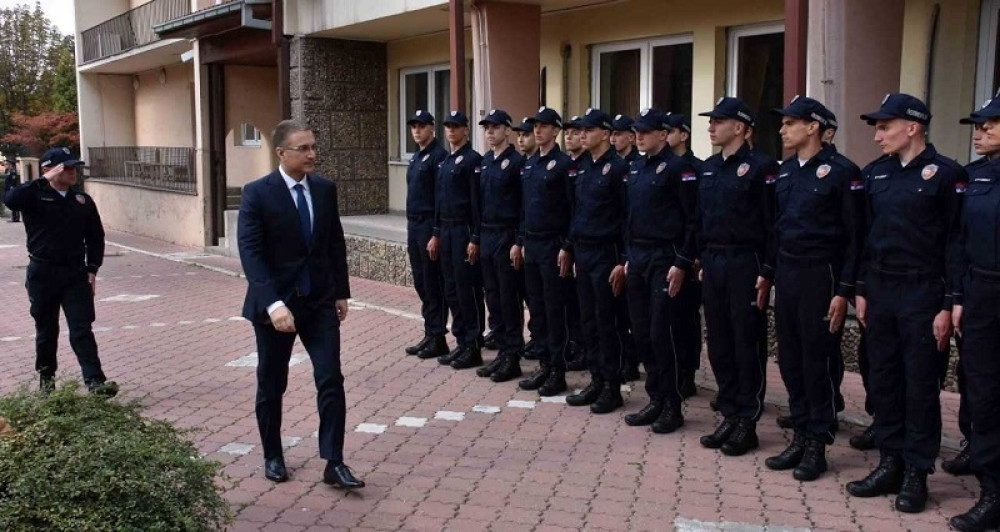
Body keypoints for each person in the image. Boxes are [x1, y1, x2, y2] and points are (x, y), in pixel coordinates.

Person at [845, 93, 965, 514]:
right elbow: (863, 237)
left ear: (912, 127)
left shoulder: (946, 175)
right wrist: (860, 287)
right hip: (880, 289)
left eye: (884, 127)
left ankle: (917, 470)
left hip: (923, 292)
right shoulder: (874, 175)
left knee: (919, 384)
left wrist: (949, 302)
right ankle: (889, 461)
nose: (877, 135)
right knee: (884, 378)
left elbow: (956, 242)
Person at [237, 119, 363, 489]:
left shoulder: (324, 189)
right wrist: (274, 305)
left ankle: (333, 461)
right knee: (272, 383)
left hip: (319, 303)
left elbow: (333, 242)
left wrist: (340, 290)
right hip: (277, 306)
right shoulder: (257, 193)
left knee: (330, 379)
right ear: (281, 153)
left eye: (313, 147)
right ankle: (273, 454)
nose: (312, 154)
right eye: (303, 148)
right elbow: (252, 254)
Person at [763, 96, 865, 482]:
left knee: (817, 361)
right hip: (788, 273)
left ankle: (818, 444)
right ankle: (801, 432)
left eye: (791, 123)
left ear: (813, 127)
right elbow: (777, 229)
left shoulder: (842, 172)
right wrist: (769, 273)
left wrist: (844, 290)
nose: (782, 129)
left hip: (821, 275)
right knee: (790, 359)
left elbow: (854, 238)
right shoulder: (786, 172)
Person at [696, 97, 778, 457]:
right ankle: (729, 411)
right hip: (713, 261)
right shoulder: (710, 167)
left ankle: (748, 419)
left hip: (746, 260)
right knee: (719, 341)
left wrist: (767, 270)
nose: (711, 126)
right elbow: (701, 218)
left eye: (719, 121)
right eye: (711, 120)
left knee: (746, 341)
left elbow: (772, 224)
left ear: (741, 127)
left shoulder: (762, 168)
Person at [3, 147, 117, 396]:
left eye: (74, 167)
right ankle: (47, 380)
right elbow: (10, 200)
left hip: (75, 274)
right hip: (42, 273)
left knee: (81, 328)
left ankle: (95, 382)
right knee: (46, 330)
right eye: (66, 167)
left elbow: (96, 237)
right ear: (49, 169)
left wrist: (92, 269)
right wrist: (43, 179)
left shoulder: (82, 201)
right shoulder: (34, 196)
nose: (72, 171)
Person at [620, 108, 699, 433]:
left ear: (663, 135)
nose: (639, 136)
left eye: (646, 131)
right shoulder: (636, 168)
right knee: (640, 332)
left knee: (661, 332)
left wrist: (682, 262)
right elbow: (629, 217)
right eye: (637, 130)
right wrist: (627, 255)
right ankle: (655, 397)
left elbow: (693, 220)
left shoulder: (678, 169)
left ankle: (672, 403)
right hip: (638, 257)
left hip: (665, 257)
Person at [948, 97, 1000, 532]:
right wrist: (960, 296)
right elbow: (961, 242)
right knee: (983, 392)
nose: (979, 132)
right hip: (983, 290)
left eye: (988, 125)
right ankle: (992, 491)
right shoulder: (975, 175)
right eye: (977, 126)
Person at [563, 108, 629, 414]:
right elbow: (577, 212)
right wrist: (570, 246)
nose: (582, 134)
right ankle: (596, 378)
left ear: (605, 133)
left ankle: (611, 386)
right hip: (585, 251)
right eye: (581, 129)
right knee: (587, 320)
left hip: (607, 253)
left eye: (589, 130)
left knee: (607, 322)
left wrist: (624, 260)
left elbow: (627, 217)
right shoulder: (583, 168)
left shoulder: (618, 169)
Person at [513, 106, 575, 396]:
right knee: (536, 309)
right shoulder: (530, 164)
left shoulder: (564, 165)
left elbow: (572, 209)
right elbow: (525, 208)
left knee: (554, 309)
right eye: (535, 125)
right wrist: (521, 240)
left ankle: (557, 371)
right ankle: (545, 365)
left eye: (544, 125)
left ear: (555, 130)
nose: (537, 130)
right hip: (533, 243)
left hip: (553, 244)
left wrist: (566, 246)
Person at [428, 111, 486, 370]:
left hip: (463, 229)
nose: (451, 131)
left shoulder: (473, 160)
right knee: (451, 287)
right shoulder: (445, 162)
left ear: (466, 130)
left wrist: (475, 237)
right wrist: (436, 233)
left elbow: (476, 203)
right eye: (448, 127)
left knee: (467, 288)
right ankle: (461, 341)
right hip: (447, 230)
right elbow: (439, 202)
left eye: (456, 127)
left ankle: (473, 344)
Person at [475, 109, 526, 382]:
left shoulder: (517, 163)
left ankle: (513, 355)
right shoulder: (485, 162)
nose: (490, 132)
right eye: (487, 128)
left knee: (509, 297)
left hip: (507, 234)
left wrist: (519, 240)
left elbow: (522, 206)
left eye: (495, 127)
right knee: (493, 295)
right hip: (487, 234)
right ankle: (502, 352)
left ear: (508, 130)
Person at [403, 111, 450, 360]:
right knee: (421, 282)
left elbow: (440, 199)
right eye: (413, 127)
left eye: (421, 126)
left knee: (433, 283)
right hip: (414, 226)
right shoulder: (417, 157)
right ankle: (430, 332)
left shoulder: (438, 157)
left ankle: (438, 336)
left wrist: (436, 233)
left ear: (432, 129)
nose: (417, 131)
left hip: (428, 226)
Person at [665, 112, 704, 398]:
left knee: (686, 317)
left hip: (685, 254)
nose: (665, 134)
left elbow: (696, 217)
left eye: (671, 130)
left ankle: (687, 373)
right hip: (662, 255)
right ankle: (672, 373)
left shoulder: (695, 168)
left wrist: (692, 255)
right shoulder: (662, 167)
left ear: (684, 135)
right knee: (667, 321)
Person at [3, 158, 20, 222]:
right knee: (12, 203)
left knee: (14, 202)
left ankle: (16, 218)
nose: (5, 165)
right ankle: (14, 217)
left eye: (6, 164)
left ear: (10, 165)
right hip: (8, 189)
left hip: (12, 189)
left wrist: (11, 189)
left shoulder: (13, 172)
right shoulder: (8, 171)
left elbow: (13, 181)